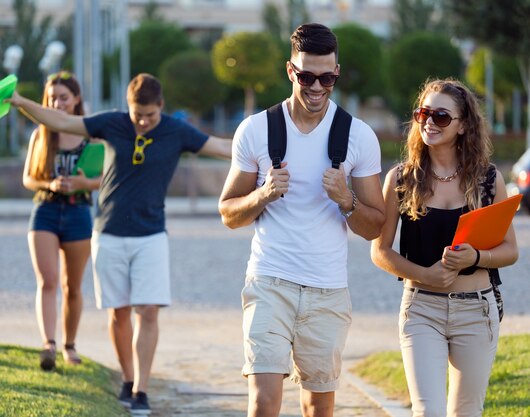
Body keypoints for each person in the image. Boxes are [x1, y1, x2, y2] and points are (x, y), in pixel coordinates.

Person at [7, 73, 231, 414]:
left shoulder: (177, 131)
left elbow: (222, 147)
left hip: (151, 235)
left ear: (162, 107)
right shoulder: (112, 123)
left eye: (150, 116)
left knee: (149, 310)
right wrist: (22, 104)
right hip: (108, 233)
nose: (142, 122)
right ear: (128, 106)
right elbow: (63, 119)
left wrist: (271, 149)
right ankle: (127, 378)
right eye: (136, 114)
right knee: (119, 313)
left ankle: (141, 389)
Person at [218, 23, 385, 417]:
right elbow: (228, 213)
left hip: (327, 289)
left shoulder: (357, 136)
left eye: (327, 78)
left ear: (337, 73)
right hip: (269, 282)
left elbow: (375, 226)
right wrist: (262, 194)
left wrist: (346, 200)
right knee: (262, 402)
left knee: (317, 405)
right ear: (290, 70)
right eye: (307, 76)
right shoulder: (257, 129)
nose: (316, 86)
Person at [370, 79, 519, 417]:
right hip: (422, 309)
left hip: (476, 311)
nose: (428, 122)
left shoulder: (487, 179)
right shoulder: (400, 178)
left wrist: (477, 257)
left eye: (440, 116)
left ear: (463, 125)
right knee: (428, 411)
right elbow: (380, 251)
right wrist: (425, 275)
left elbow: (511, 250)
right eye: (423, 113)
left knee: (466, 411)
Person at [22, 71, 101, 371]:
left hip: (79, 212)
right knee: (48, 281)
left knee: (73, 286)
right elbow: (28, 178)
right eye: (52, 97)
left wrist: (83, 184)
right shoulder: (41, 134)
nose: (58, 103)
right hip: (45, 210)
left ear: (77, 98)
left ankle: (70, 344)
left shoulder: (91, 134)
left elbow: (102, 180)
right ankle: (48, 344)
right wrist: (49, 185)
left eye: (64, 97)